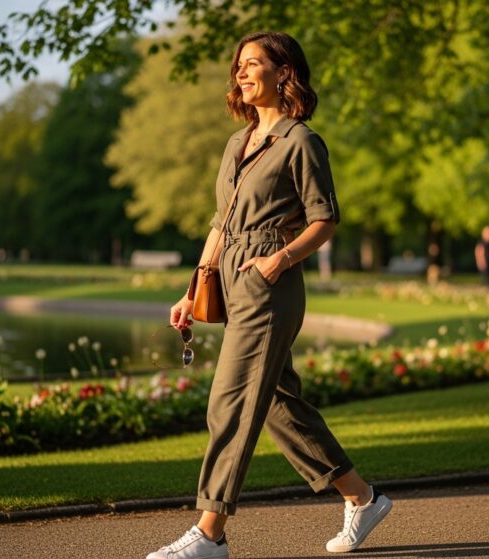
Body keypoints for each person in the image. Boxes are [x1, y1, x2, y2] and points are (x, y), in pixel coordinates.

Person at [152, 32, 392, 559]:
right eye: (238, 65)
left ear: (284, 73)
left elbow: (324, 219)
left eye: (252, 64)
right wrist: (193, 289)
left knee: (231, 402)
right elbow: (221, 223)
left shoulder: (302, 142)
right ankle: (362, 498)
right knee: (281, 406)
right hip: (231, 278)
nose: (240, 73)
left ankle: (210, 535)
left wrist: (279, 259)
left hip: (270, 285)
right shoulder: (237, 144)